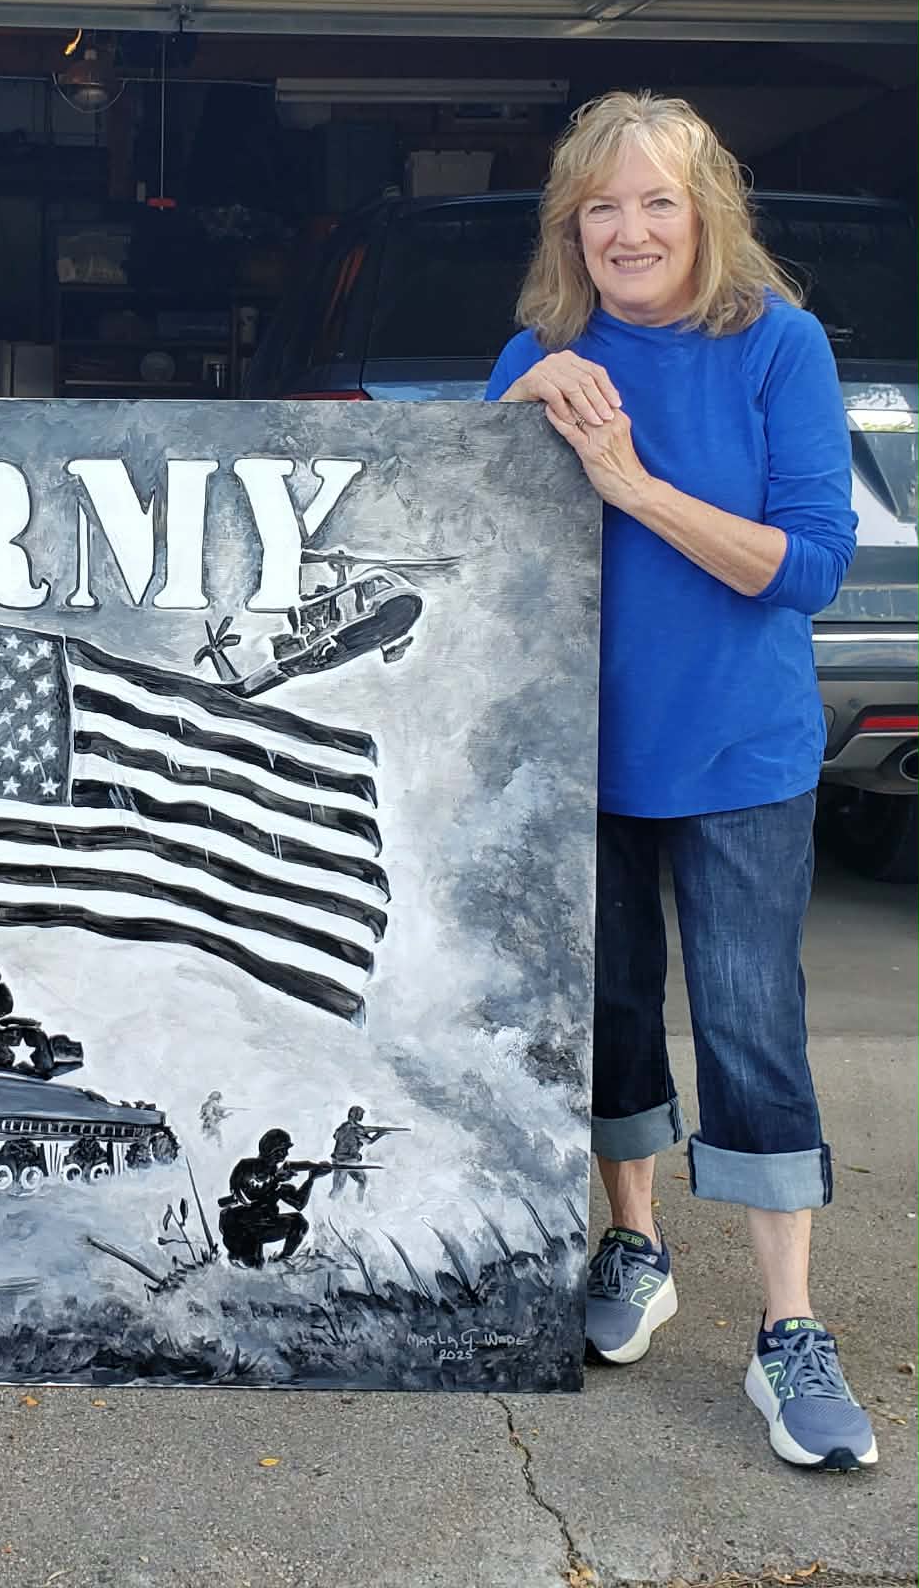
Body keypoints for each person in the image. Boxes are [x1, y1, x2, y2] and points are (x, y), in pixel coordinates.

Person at [487, 91, 874, 1472]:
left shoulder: (779, 346)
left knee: (751, 1023)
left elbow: (810, 566)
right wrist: (522, 390)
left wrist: (632, 483)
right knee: (607, 1012)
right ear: (572, 228)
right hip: (576, 753)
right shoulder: (548, 352)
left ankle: (789, 1325)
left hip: (737, 753)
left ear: (707, 214)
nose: (630, 229)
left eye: (658, 201)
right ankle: (634, 1244)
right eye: (602, 206)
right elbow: (443, 502)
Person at [217, 1128, 329, 1268]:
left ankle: (283, 1260)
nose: (286, 1154)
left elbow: (299, 1203)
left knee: (299, 1223)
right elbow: (247, 1195)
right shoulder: (246, 1166)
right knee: (251, 1267)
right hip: (241, 1228)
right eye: (283, 1150)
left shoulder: (276, 1177)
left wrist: (311, 1178)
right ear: (272, 1150)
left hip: (264, 1224)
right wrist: (275, 1180)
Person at [328, 1104, 387, 1201]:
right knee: (357, 1183)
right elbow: (369, 1141)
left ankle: (358, 1203)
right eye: (360, 1114)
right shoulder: (356, 1129)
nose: (362, 1116)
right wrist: (380, 1134)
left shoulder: (343, 1126)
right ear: (355, 1115)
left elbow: (336, 1136)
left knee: (340, 1187)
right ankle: (359, 1202)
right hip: (348, 1161)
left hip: (337, 1160)